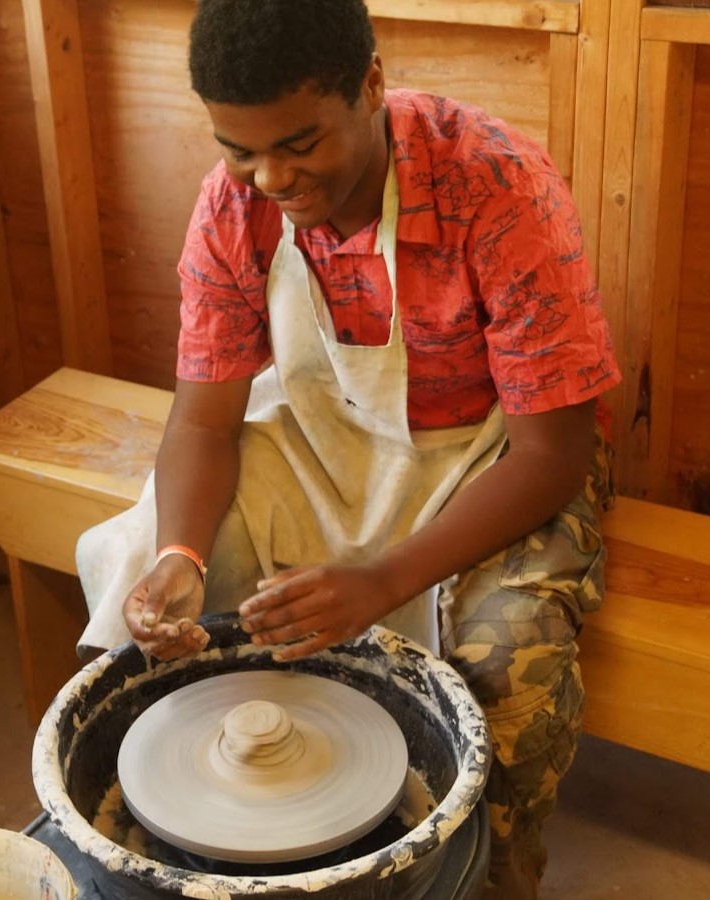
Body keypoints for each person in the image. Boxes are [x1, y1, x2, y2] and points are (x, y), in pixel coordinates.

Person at [74, 1, 621, 896]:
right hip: (330, 440)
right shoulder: (233, 206)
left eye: (299, 144)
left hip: (495, 454)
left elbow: (552, 452)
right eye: (238, 149)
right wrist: (178, 556)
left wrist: (381, 579)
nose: (269, 178)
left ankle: (489, 873)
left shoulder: (494, 182)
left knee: (501, 656)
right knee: (148, 559)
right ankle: (225, 838)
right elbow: (204, 422)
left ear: (370, 83)